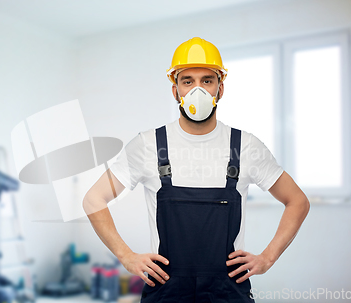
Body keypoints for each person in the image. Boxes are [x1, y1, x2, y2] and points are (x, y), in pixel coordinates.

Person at [83, 37, 310, 302]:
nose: (197, 90)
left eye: (207, 80)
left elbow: (297, 201)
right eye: (187, 81)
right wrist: (126, 256)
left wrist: (268, 258)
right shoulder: (148, 144)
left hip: (227, 292)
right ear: (175, 89)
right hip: (165, 291)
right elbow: (93, 199)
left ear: (220, 88)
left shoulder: (246, 146)